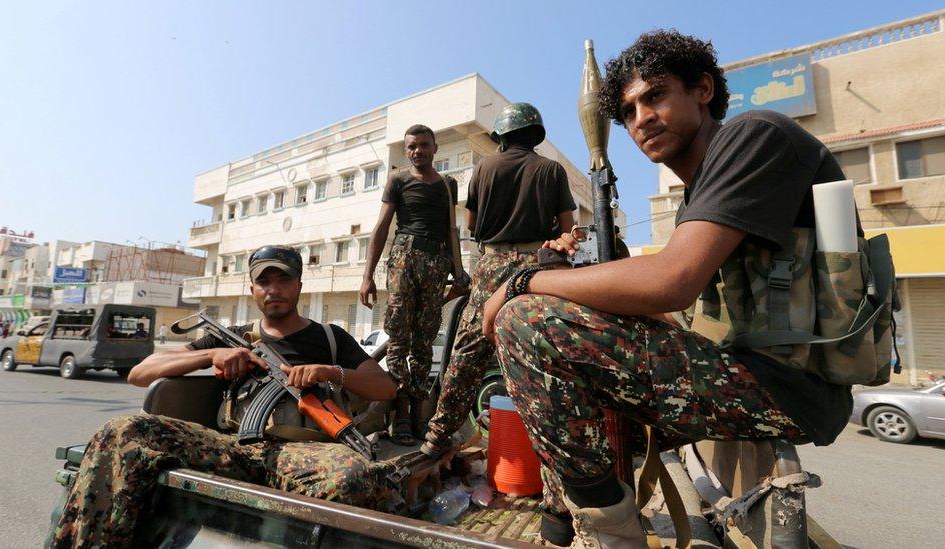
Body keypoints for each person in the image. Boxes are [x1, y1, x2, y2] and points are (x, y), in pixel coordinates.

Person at [484, 30, 858, 547]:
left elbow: (671, 283)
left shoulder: (754, 136)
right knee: (571, 335)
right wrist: (573, 286)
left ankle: (611, 533)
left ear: (702, 89)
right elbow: (675, 309)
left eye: (655, 96)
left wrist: (523, 282)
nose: (642, 119)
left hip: (788, 387)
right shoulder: (700, 192)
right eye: (629, 110)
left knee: (526, 323)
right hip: (751, 368)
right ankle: (573, 509)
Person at [53, 245, 398, 548]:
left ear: (299, 287)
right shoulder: (232, 337)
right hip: (233, 446)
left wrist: (330, 372)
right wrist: (210, 356)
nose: (274, 290)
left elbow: (384, 387)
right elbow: (140, 373)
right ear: (252, 289)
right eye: (265, 282)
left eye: (284, 281)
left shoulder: (329, 337)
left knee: (356, 477)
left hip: (307, 452)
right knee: (123, 430)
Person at [418, 103, 578, 545]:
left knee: (466, 357)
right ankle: (557, 506)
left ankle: (434, 441)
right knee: (544, 375)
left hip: (490, 264)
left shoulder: (484, 168)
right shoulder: (551, 170)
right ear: (535, 134)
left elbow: (470, 225)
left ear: (503, 135)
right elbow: (568, 229)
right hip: (536, 268)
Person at [359, 124, 460, 446]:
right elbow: (382, 227)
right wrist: (367, 275)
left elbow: (451, 230)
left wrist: (458, 271)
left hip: (436, 262)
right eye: (412, 147)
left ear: (435, 148)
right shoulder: (398, 180)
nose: (418, 151)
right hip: (404, 258)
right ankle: (400, 414)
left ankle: (418, 413)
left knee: (424, 341)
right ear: (407, 151)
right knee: (399, 341)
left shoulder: (448, 184)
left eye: (424, 145)